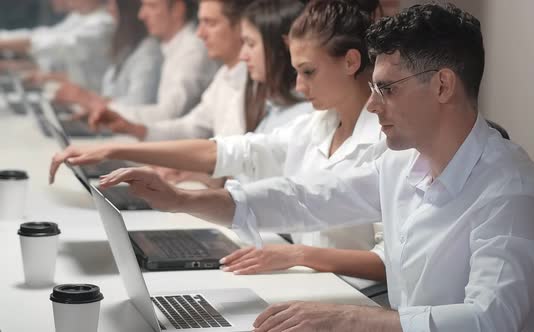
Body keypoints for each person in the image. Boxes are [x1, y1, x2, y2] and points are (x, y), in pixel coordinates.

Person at [92, 4, 534, 331]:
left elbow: (490, 320)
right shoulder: (404, 165)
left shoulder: (512, 192)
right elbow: (307, 197)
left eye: (387, 89)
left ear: (442, 86)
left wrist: (354, 320)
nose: (374, 106)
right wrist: (183, 200)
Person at [50, 0, 388, 287]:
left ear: (351, 62)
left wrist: (299, 255)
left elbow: (389, 260)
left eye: (308, 72)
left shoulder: (388, 140)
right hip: (307, 281)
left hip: (352, 293)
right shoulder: (316, 125)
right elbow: (233, 151)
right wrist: (120, 151)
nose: (299, 85)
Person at [85, 0, 220, 124]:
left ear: (177, 9)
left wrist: (104, 109)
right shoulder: (170, 47)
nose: (141, 15)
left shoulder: (193, 50)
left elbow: (169, 114)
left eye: (152, 6)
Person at [52, 0, 162, 109]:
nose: (109, 8)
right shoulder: (127, 48)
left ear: (128, 8)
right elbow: (111, 95)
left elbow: (138, 105)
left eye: (112, 3)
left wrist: (88, 99)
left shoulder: (149, 53)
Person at [0, 0, 115, 92]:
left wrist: (4, 44)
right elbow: (44, 36)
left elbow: (57, 45)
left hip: (95, 99)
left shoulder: (104, 22)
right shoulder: (79, 17)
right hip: (79, 95)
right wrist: (11, 66)